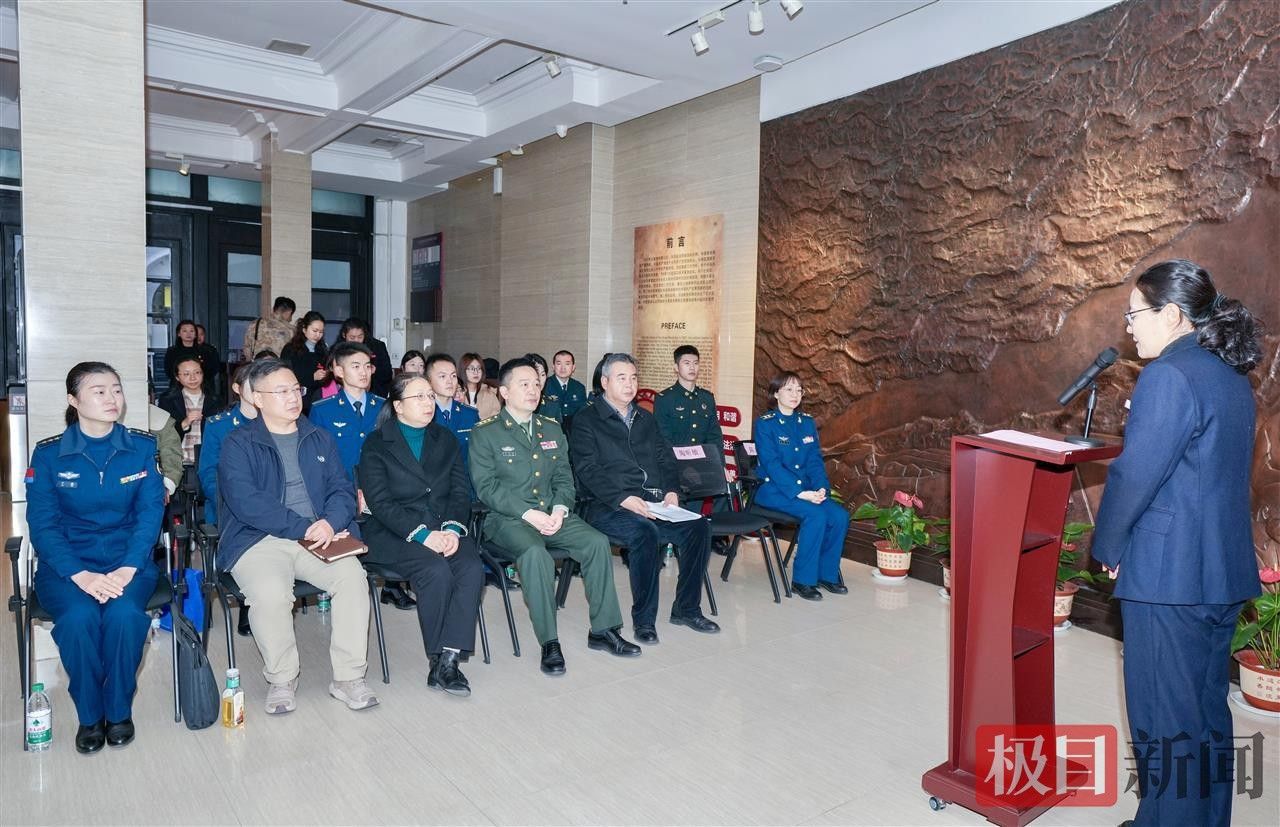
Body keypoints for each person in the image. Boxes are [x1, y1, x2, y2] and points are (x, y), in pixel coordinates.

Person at [1092, 260, 1261, 827]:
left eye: (1134, 315)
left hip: (1169, 577)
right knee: (1206, 716)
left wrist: (1109, 546)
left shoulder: (1168, 375)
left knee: (1167, 725)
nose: (1129, 328)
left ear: (1170, 314)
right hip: (1220, 574)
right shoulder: (1230, 374)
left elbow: (1135, 474)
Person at [217, 358, 379, 715]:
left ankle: (348, 677)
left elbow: (341, 489)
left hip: (319, 534)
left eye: (296, 389)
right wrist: (302, 527)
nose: (293, 397)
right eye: (282, 391)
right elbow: (246, 501)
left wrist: (329, 523)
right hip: (258, 539)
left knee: (353, 579)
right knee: (271, 594)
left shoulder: (318, 436)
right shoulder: (238, 443)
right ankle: (281, 679)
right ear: (257, 398)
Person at [27, 362, 164, 753]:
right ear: (73, 400)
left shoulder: (141, 448)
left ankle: (118, 711)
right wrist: (80, 575)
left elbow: (150, 514)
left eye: (116, 390)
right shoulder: (50, 454)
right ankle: (89, 715)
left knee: (124, 616)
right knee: (78, 618)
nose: (111, 398)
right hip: (66, 566)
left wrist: (128, 567)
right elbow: (43, 525)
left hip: (128, 561)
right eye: (99, 391)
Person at [469, 358, 639, 675]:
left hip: (552, 513)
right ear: (504, 392)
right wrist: (529, 513)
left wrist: (560, 509)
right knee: (535, 554)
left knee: (596, 543)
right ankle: (549, 642)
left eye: (536, 384)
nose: (533, 390)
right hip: (507, 519)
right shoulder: (486, 433)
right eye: (524, 384)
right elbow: (487, 488)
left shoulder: (550, 427)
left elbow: (564, 477)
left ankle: (604, 630)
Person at [570, 353, 720, 643]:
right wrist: (621, 498)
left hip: (649, 502)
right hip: (604, 505)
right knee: (645, 531)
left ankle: (686, 609)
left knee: (699, 526)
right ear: (605, 382)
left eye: (634, 378)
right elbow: (587, 469)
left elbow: (665, 460)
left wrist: (672, 490)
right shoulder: (586, 419)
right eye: (622, 378)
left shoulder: (645, 419)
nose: (630, 384)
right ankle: (644, 621)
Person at [358, 374, 484, 696]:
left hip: (444, 526)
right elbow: (380, 503)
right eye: (419, 397)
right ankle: (439, 659)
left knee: (471, 567)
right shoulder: (377, 443)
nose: (429, 403)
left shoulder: (446, 439)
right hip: (393, 531)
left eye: (430, 396)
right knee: (434, 569)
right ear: (398, 406)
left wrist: (452, 529)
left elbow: (459, 491)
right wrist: (423, 535)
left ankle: (448, 659)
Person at [309, 342, 411, 611]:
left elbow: (394, 452)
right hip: (340, 491)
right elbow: (318, 461)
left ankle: (392, 586)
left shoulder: (383, 406)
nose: (364, 372)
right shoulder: (323, 409)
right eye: (356, 366)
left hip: (380, 487)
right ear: (338, 371)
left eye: (368, 366)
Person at [752, 373, 849, 601]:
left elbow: (814, 460)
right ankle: (802, 581)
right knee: (816, 515)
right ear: (776, 394)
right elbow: (772, 465)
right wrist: (800, 492)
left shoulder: (806, 422)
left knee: (840, 516)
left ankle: (826, 574)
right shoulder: (765, 424)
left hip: (807, 491)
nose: (795, 394)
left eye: (798, 390)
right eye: (789, 389)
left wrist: (821, 488)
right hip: (774, 491)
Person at [198, 363, 256, 635]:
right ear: (237, 388)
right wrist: (232, 504)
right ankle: (249, 602)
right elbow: (208, 473)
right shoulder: (219, 426)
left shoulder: (278, 422)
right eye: (253, 384)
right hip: (229, 508)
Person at [157, 357, 222, 465]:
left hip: (208, 461)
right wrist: (184, 423)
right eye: (186, 374)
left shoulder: (215, 400)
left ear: (203, 374)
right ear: (177, 377)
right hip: (177, 462)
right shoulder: (168, 400)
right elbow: (162, 434)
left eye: (197, 372)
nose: (193, 378)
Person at [425, 353, 479, 469]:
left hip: (464, 478)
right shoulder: (422, 414)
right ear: (429, 381)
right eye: (442, 376)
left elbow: (478, 456)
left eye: (453, 376)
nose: (450, 381)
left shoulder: (470, 414)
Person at [280, 311, 328, 413]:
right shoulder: (290, 349)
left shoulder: (323, 349)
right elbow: (286, 375)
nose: (318, 335)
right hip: (298, 399)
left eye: (321, 332)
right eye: (315, 331)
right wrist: (312, 377)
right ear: (304, 329)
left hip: (318, 399)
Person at [337, 317, 393, 398]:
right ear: (344, 335)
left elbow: (387, 373)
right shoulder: (338, 349)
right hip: (345, 391)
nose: (356, 340)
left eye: (360, 337)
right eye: (352, 338)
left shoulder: (377, 346)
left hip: (374, 392)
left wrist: (372, 371)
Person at [163, 319, 215, 394]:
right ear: (179, 334)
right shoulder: (172, 351)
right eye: (185, 331)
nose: (188, 334)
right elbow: (169, 371)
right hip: (177, 388)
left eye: (191, 331)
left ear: (195, 334)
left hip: (202, 388)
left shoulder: (205, 351)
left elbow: (211, 370)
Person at [242, 296, 296, 362]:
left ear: (273, 309)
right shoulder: (291, 330)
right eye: (291, 315)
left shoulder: (254, 324)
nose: (291, 319)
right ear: (289, 312)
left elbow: (247, 350)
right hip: (278, 367)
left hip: (257, 366)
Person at [548, 350, 587, 428]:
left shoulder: (579, 387)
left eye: (567, 364)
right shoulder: (545, 385)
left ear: (573, 367)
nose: (563, 368)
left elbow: (583, 414)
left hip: (574, 429)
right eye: (559, 364)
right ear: (553, 367)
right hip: (550, 428)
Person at [456, 352, 501, 419]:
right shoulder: (456, 393)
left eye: (479, 368)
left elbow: (496, 418)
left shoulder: (489, 393)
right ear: (463, 370)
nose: (476, 372)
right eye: (472, 368)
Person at [524, 352, 562, 423]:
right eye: (536, 374)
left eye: (543, 375)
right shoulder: (515, 403)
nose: (539, 379)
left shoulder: (552, 406)